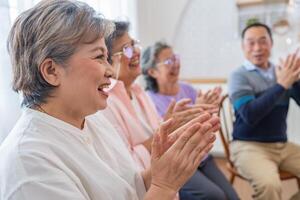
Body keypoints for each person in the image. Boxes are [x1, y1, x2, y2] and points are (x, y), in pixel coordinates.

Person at [0, 1, 218, 200]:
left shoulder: (92, 120)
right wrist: (164, 186)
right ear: (51, 70)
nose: (110, 71)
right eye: (98, 57)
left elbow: (130, 187)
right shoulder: (29, 161)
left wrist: (162, 171)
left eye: (107, 57)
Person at [102, 21, 220, 200]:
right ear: (107, 60)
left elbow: (160, 130)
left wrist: (173, 122)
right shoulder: (106, 101)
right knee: (215, 195)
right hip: (146, 189)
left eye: (135, 45)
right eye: (127, 49)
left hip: (165, 182)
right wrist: (166, 131)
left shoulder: (138, 91)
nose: (136, 52)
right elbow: (127, 162)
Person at [141, 41, 239, 200]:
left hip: (202, 156)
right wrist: (197, 113)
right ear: (152, 71)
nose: (175, 64)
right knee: (215, 196)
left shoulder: (186, 88)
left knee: (233, 197)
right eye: (168, 61)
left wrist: (208, 109)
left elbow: (206, 124)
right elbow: (166, 139)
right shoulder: (149, 101)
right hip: (178, 160)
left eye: (175, 58)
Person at [228, 22, 300, 200]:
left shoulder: (282, 71)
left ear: (271, 43)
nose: (257, 48)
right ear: (243, 47)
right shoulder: (238, 76)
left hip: (281, 145)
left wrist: (296, 81)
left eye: (263, 41)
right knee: (270, 185)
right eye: (251, 43)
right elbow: (250, 115)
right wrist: (282, 85)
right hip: (248, 146)